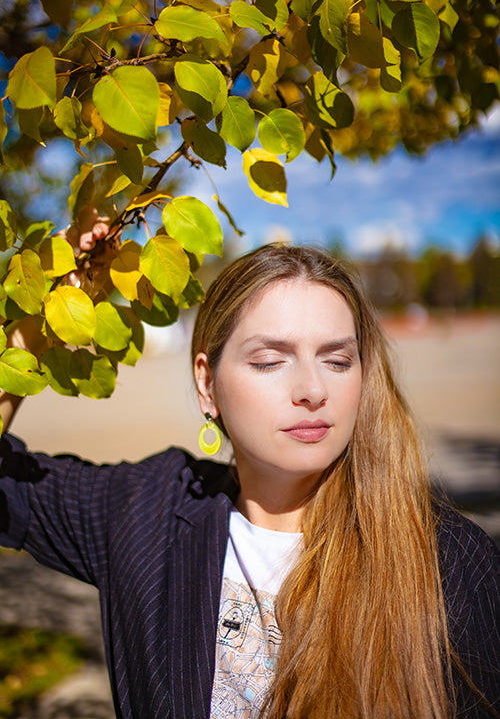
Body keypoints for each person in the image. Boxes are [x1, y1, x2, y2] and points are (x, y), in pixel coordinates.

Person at [0, 240, 499, 719]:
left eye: (338, 360)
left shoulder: (451, 562)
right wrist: (45, 295)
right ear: (206, 383)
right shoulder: (144, 512)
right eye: (269, 361)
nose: (312, 389)